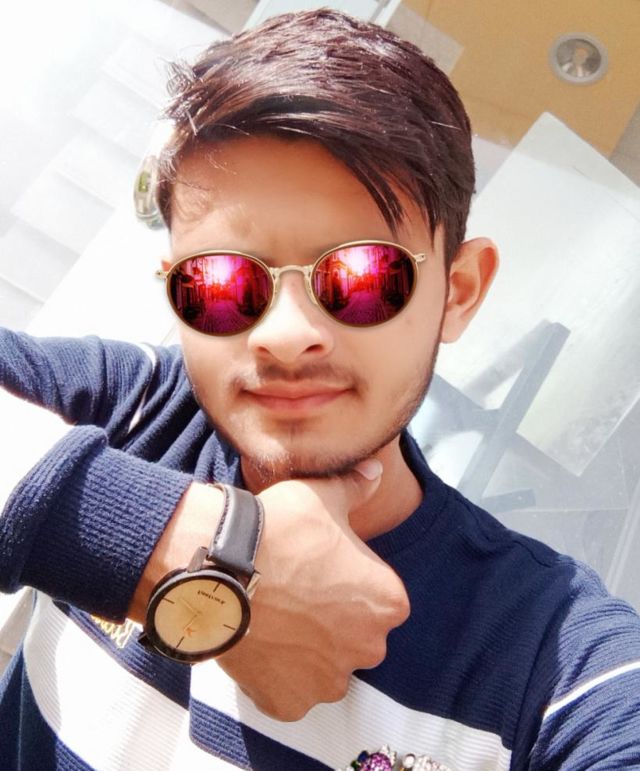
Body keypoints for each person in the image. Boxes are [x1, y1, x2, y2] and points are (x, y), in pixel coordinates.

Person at [1, 9, 639, 770]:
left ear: (459, 291)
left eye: (362, 275)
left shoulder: (553, 660)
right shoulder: (137, 411)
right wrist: (175, 553)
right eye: (220, 281)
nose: (284, 333)